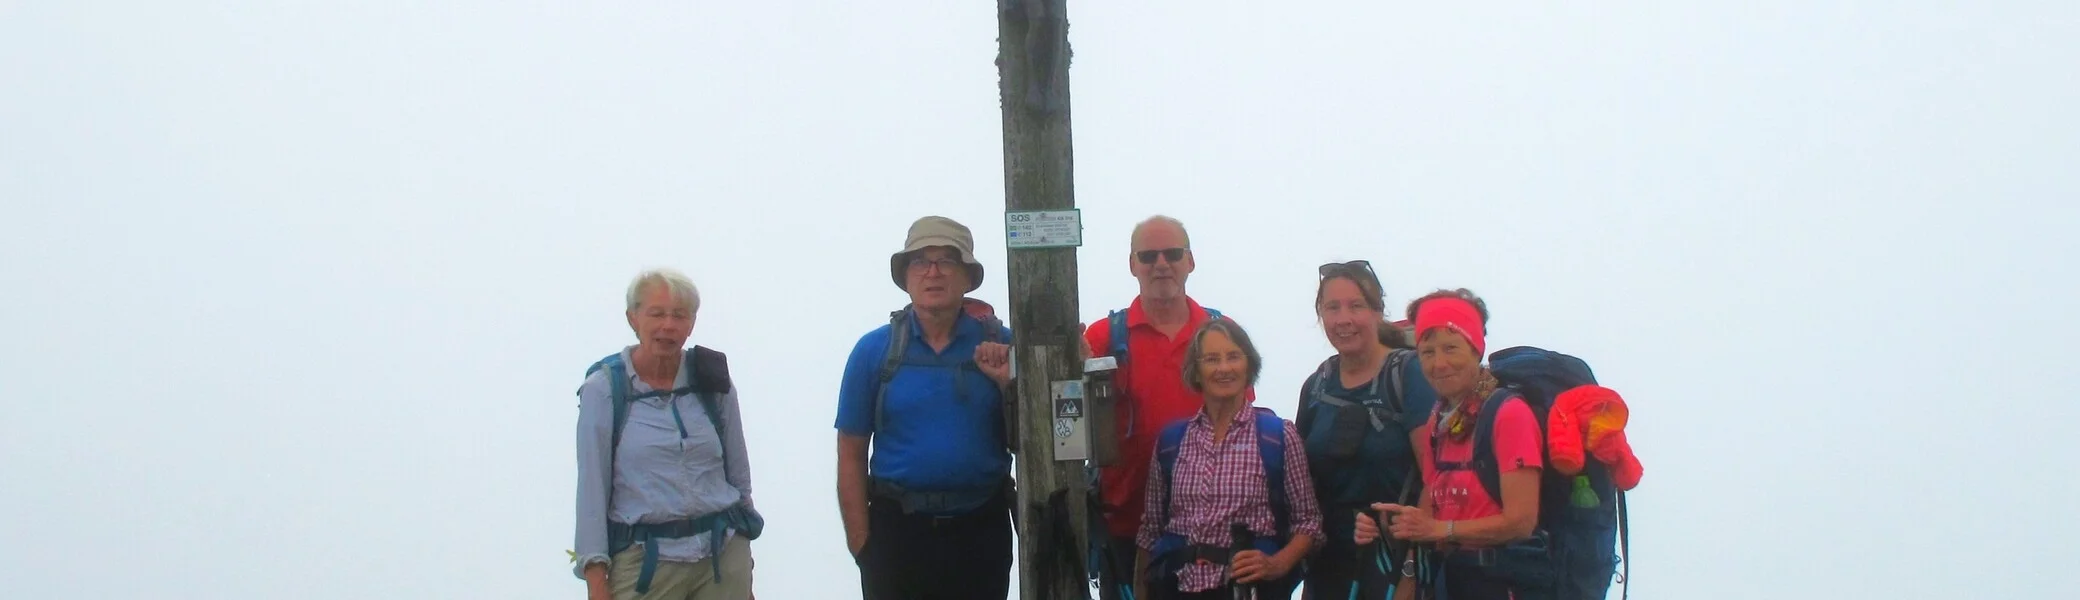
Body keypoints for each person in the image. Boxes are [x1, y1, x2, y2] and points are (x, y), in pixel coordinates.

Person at [834, 216, 1016, 600]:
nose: (933, 272)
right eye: (921, 261)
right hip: (896, 533)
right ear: (905, 276)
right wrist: (862, 545)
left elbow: (1036, 442)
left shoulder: (1003, 347)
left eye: (947, 261)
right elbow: (850, 451)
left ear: (967, 277)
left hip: (981, 529)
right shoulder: (874, 351)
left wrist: (1008, 385)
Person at [573, 268, 761, 600]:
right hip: (645, 563)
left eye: (679, 315)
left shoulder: (711, 381)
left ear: (691, 324)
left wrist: (744, 552)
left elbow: (738, 472)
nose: (668, 326)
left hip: (721, 557)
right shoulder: (604, 390)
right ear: (633, 318)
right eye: (656, 314)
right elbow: (592, 490)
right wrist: (596, 578)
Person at [1082, 215, 1244, 600]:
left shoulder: (1221, 333)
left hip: (1212, 532)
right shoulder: (1104, 336)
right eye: (1148, 255)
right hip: (1124, 527)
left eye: (1172, 253)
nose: (1161, 264)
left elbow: (1244, 426)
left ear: (1190, 261)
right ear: (1132, 264)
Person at [1356, 289, 1543, 600]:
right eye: (1427, 352)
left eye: (1451, 348)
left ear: (1475, 350)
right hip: (1452, 579)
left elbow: (1521, 521)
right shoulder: (1439, 420)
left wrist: (1442, 530)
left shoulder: (1509, 413)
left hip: (1505, 583)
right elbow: (1431, 515)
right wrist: (1389, 527)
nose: (1439, 363)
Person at [1136, 318, 1321, 600]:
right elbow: (1150, 531)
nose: (1224, 368)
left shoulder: (1278, 436)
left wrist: (1276, 564)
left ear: (1248, 367)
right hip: (1177, 588)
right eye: (1211, 359)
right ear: (1196, 371)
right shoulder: (1172, 441)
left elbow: (1308, 522)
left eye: (1233, 357)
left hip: (1248, 590)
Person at [1293, 261, 1438, 600]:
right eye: (1332, 307)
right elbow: (1301, 485)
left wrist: (1411, 569)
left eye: (1356, 306)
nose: (1344, 319)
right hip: (1328, 567)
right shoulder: (1317, 384)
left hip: (1394, 562)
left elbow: (1436, 474)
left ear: (1377, 312)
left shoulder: (1408, 373)